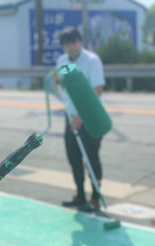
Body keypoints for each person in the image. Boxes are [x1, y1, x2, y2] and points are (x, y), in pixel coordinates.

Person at [55, 26, 105, 212]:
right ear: (63, 46)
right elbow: (60, 84)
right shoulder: (62, 61)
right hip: (71, 118)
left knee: (91, 158)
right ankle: (80, 195)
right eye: (67, 43)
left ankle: (95, 198)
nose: (71, 46)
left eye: (74, 42)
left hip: (91, 118)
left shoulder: (92, 61)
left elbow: (97, 89)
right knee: (73, 156)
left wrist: (81, 115)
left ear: (80, 41)